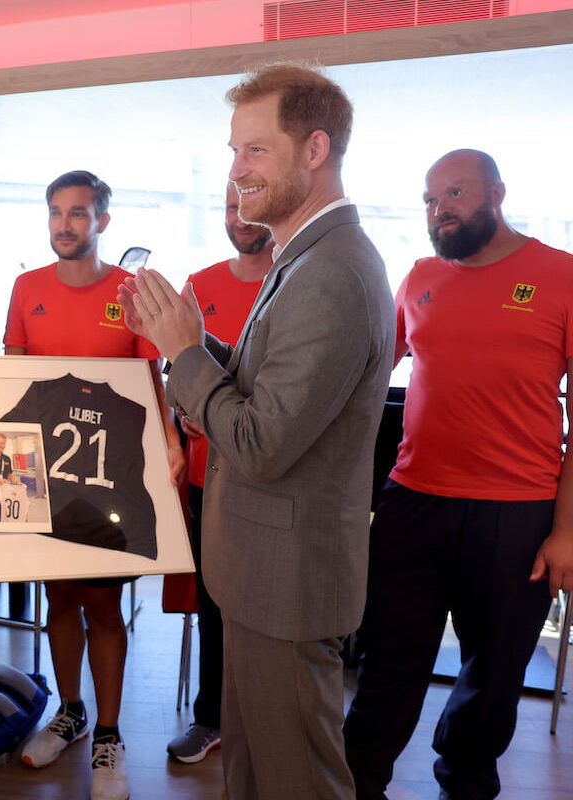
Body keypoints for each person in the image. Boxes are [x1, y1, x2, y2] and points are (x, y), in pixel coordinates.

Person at [120, 64, 394, 800]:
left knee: (295, 783)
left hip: (288, 587)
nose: (236, 171)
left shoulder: (331, 270)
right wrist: (189, 339)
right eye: (234, 150)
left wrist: (181, 354)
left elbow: (260, 443)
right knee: (254, 776)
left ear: (314, 150)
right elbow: (260, 390)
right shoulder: (300, 258)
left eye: (256, 151)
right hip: (262, 579)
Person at [343, 150, 573, 800]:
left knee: (494, 672)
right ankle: (356, 785)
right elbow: (364, 374)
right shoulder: (419, 276)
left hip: (517, 512)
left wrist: (567, 530)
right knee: (388, 660)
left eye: (455, 193)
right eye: (429, 198)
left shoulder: (561, 276)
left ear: (496, 192)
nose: (439, 209)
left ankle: (466, 784)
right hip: (413, 503)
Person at [7, 169, 184, 800]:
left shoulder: (130, 292)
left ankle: (109, 734)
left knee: (104, 606)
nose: (64, 224)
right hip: (43, 473)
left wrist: (169, 438)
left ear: (102, 221)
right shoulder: (27, 287)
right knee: (58, 600)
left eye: (78, 213)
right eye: (56, 212)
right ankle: (72, 712)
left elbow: (151, 381)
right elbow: (13, 381)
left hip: (112, 474)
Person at [165, 182, 273, 765]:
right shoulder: (199, 286)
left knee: (267, 612)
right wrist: (184, 410)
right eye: (231, 206)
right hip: (211, 478)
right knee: (214, 603)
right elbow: (176, 370)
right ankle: (212, 718)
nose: (241, 216)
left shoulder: (295, 283)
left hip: (273, 479)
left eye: (249, 203)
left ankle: (263, 722)